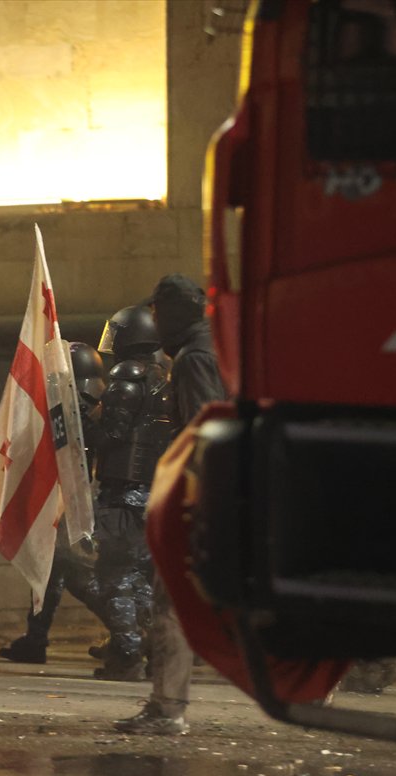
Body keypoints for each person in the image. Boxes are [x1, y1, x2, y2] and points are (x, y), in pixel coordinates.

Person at [114, 274, 225, 734]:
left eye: (158, 312)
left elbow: (203, 431)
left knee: (171, 600)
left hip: (204, 497)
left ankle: (167, 709)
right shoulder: (216, 347)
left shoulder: (195, 358)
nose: (154, 321)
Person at [0, 341, 109, 665]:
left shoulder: (79, 409)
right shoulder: (91, 404)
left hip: (69, 498)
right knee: (49, 572)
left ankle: (132, 629)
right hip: (69, 496)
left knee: (73, 573)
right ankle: (35, 638)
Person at [91, 306, 173, 681]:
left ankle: (126, 654)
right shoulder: (162, 379)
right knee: (140, 577)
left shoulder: (125, 381)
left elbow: (112, 436)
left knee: (113, 576)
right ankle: (155, 650)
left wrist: (84, 425)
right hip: (152, 494)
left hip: (122, 494)